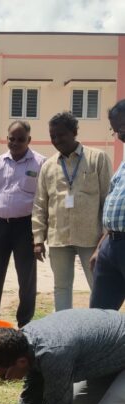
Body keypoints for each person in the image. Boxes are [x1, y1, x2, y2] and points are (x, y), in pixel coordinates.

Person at [32, 112, 112, 311]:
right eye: (53, 136)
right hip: (58, 237)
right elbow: (40, 203)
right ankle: (65, 331)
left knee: (98, 285)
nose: (56, 140)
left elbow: (107, 199)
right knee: (61, 287)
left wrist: (105, 237)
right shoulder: (48, 166)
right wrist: (38, 239)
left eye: (61, 135)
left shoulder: (97, 158)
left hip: (91, 238)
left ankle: (100, 330)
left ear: (74, 132)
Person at [0, 121, 45, 327]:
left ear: (29, 140)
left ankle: (25, 323)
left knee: (26, 276)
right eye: (11, 139)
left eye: (20, 139)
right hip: (0, 226)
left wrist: (40, 235)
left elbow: (45, 199)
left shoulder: (40, 163)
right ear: (7, 138)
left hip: (26, 227)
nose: (15, 143)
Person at [90, 100, 125, 310]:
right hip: (111, 246)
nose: (119, 136)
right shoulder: (122, 163)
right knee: (99, 317)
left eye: (121, 128)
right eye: (115, 131)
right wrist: (100, 247)